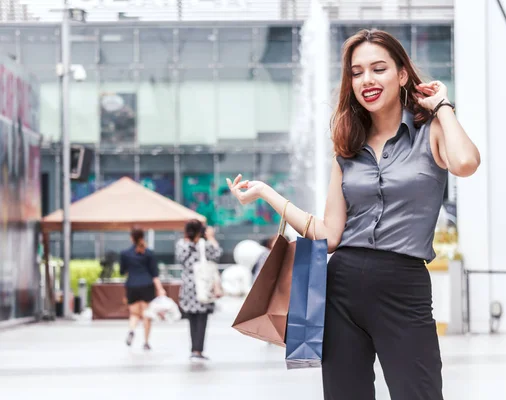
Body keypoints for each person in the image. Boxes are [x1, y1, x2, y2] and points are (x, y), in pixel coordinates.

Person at [226, 29, 480, 400]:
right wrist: (266, 193)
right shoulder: (348, 145)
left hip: (403, 286)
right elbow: (329, 235)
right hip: (341, 288)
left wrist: (442, 106)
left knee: (420, 394)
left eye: (379, 69)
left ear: (402, 74)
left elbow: (466, 163)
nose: (367, 80)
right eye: (357, 72)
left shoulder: (432, 132)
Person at [175, 220, 224, 362]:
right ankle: (198, 350)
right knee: (202, 319)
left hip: (188, 288)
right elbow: (217, 254)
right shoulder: (205, 245)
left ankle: (193, 349)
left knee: (192, 319)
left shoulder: (181, 245)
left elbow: (180, 259)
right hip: (202, 286)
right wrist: (211, 237)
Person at [120, 227, 166, 350]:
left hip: (132, 285)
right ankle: (146, 342)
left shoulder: (125, 254)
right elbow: (154, 274)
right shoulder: (149, 253)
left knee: (134, 313)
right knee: (147, 314)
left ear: (131, 238)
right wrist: (160, 289)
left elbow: (122, 271)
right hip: (147, 285)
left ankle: (131, 330)